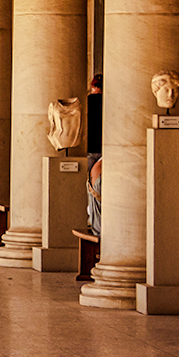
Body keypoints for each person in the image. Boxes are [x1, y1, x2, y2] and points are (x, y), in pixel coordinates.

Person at [86, 74, 102, 236]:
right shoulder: (109, 103)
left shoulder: (88, 102)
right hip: (105, 148)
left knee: (91, 186)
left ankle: (92, 216)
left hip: (91, 148)